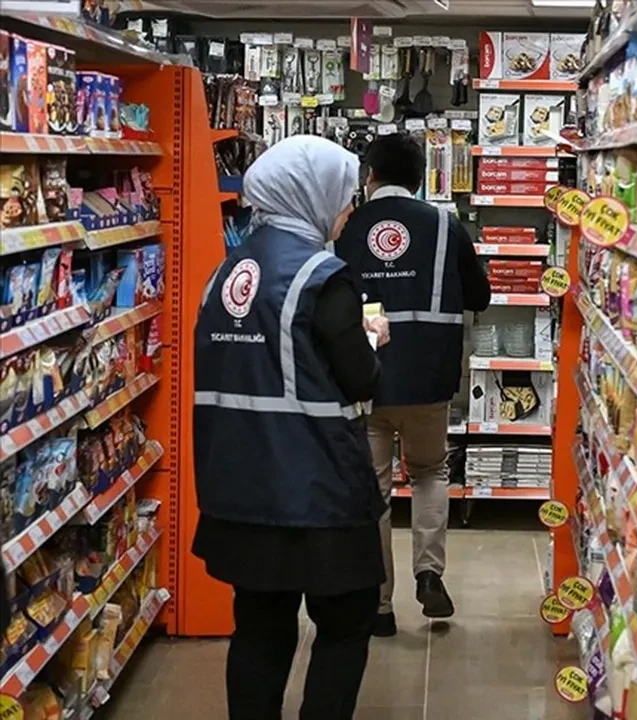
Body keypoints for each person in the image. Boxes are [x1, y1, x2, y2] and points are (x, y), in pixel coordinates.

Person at [191, 136, 391, 720]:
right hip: (316, 488)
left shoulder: (225, 272)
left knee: (259, 623)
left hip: (239, 486)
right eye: (343, 196)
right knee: (347, 620)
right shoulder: (323, 277)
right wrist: (372, 341)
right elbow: (359, 379)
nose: (349, 209)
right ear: (311, 194)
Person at [334, 133, 490, 636]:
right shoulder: (446, 226)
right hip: (429, 376)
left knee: (374, 490)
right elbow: (481, 297)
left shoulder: (346, 228)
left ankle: (378, 607)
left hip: (364, 380)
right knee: (429, 472)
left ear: (370, 175)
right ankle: (429, 574)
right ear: (422, 178)